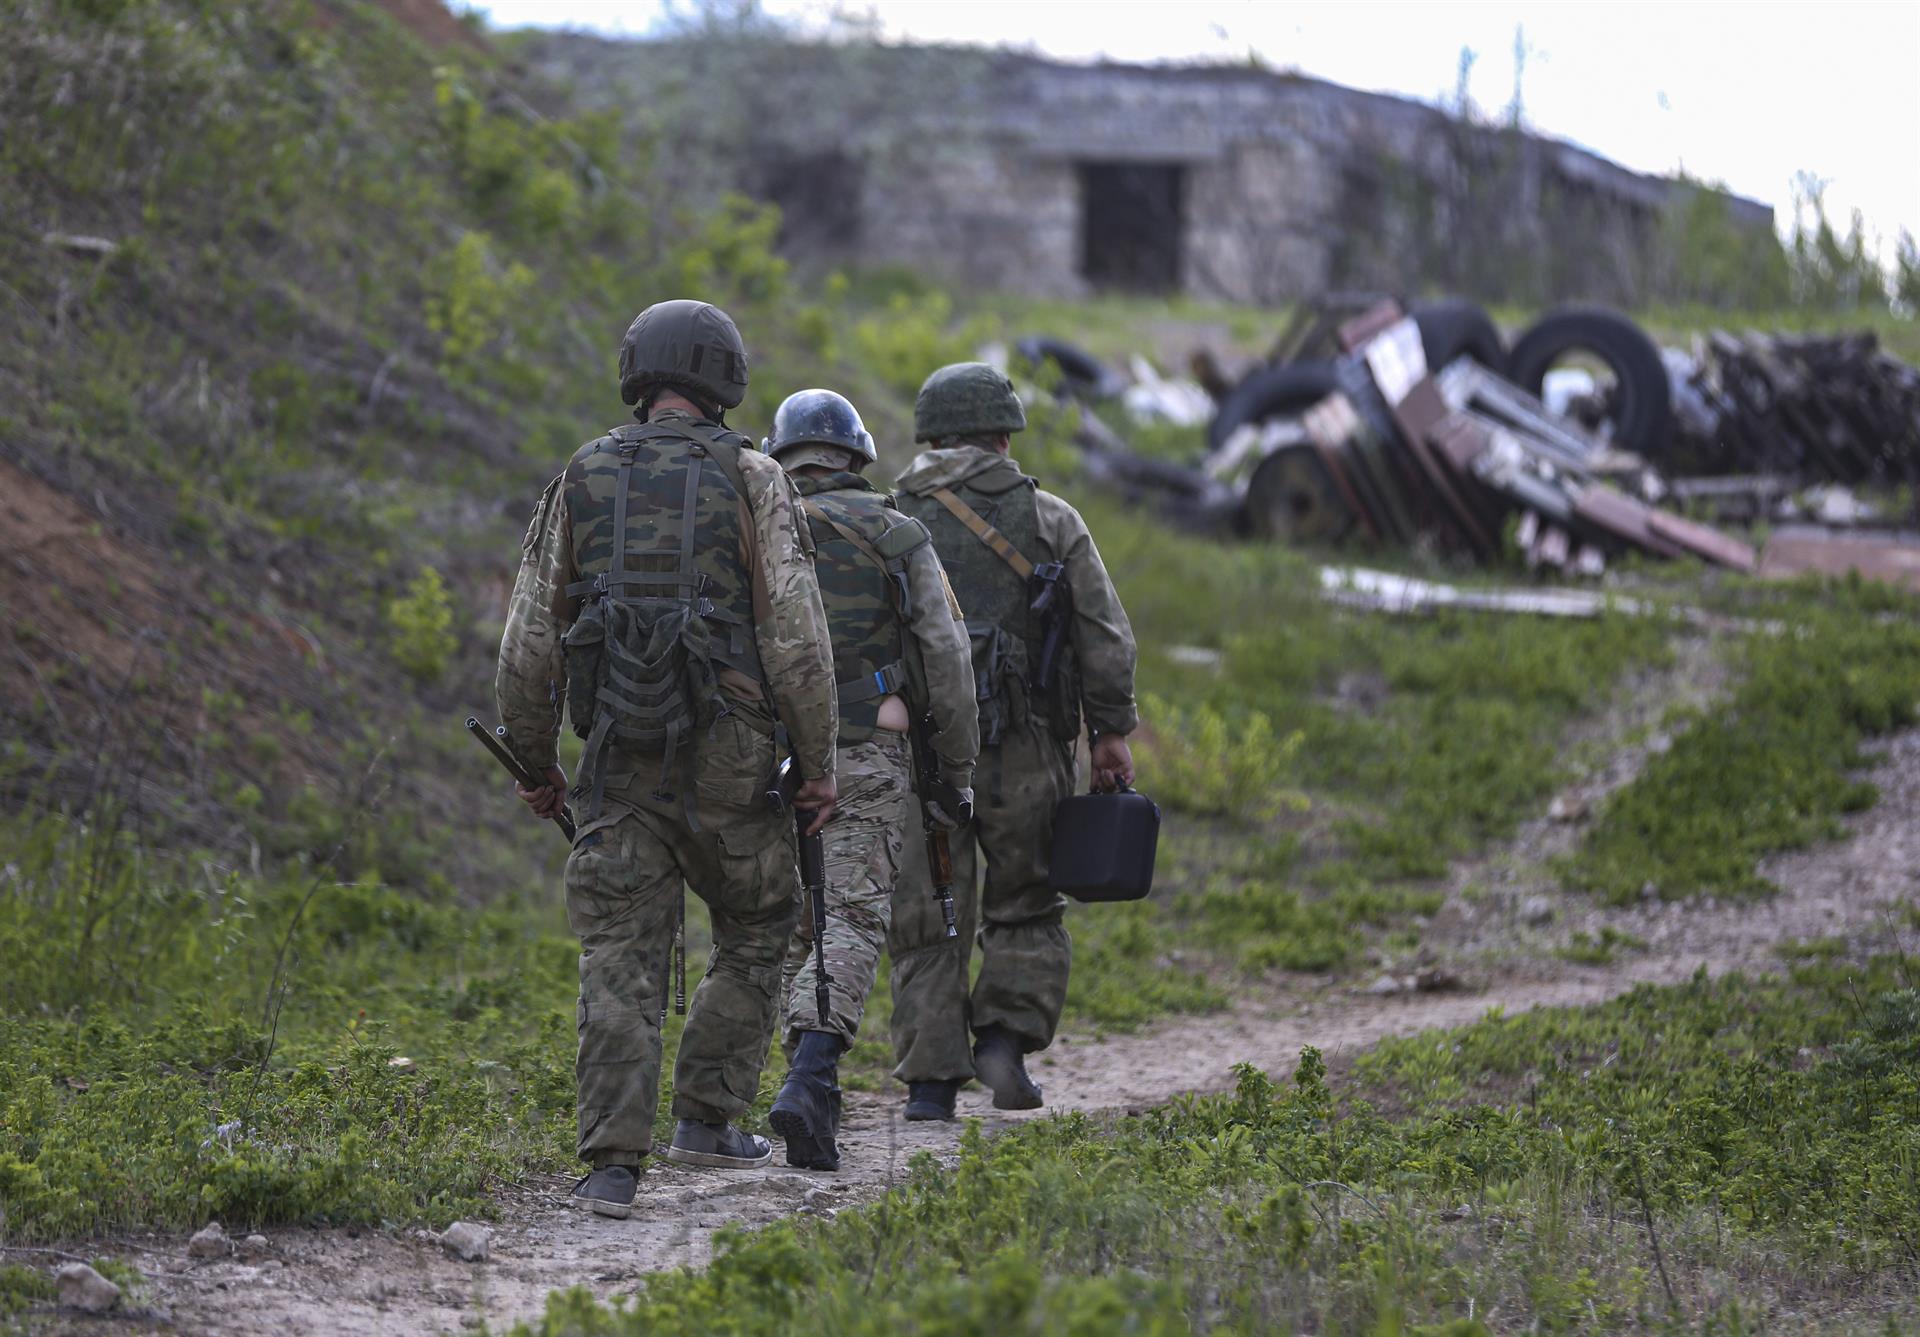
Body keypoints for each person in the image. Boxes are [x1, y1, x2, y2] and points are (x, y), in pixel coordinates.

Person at [495, 299, 839, 1219]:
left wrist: (534, 759)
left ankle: (612, 1164)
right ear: (723, 379)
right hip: (733, 760)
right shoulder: (757, 477)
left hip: (618, 758)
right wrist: (816, 764)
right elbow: (798, 640)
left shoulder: (582, 474)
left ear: (638, 376)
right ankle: (706, 1116)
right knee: (761, 921)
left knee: (619, 952)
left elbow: (528, 641)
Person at [887, 361, 1139, 1121]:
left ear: (930, 436)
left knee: (930, 911)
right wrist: (1110, 732)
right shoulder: (1050, 518)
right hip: (1024, 748)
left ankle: (931, 1083)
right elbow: (1103, 633)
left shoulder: (888, 515)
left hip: (921, 753)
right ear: (1003, 435)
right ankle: (1003, 1044)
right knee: (1026, 899)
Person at [757, 388, 980, 1170]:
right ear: (855, 456)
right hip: (864, 751)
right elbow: (947, 657)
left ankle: (807, 1094)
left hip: (760, 755)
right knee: (849, 913)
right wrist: (955, 768)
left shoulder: (753, 527)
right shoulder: (898, 533)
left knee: (794, 923)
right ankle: (811, 1074)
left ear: (782, 456)